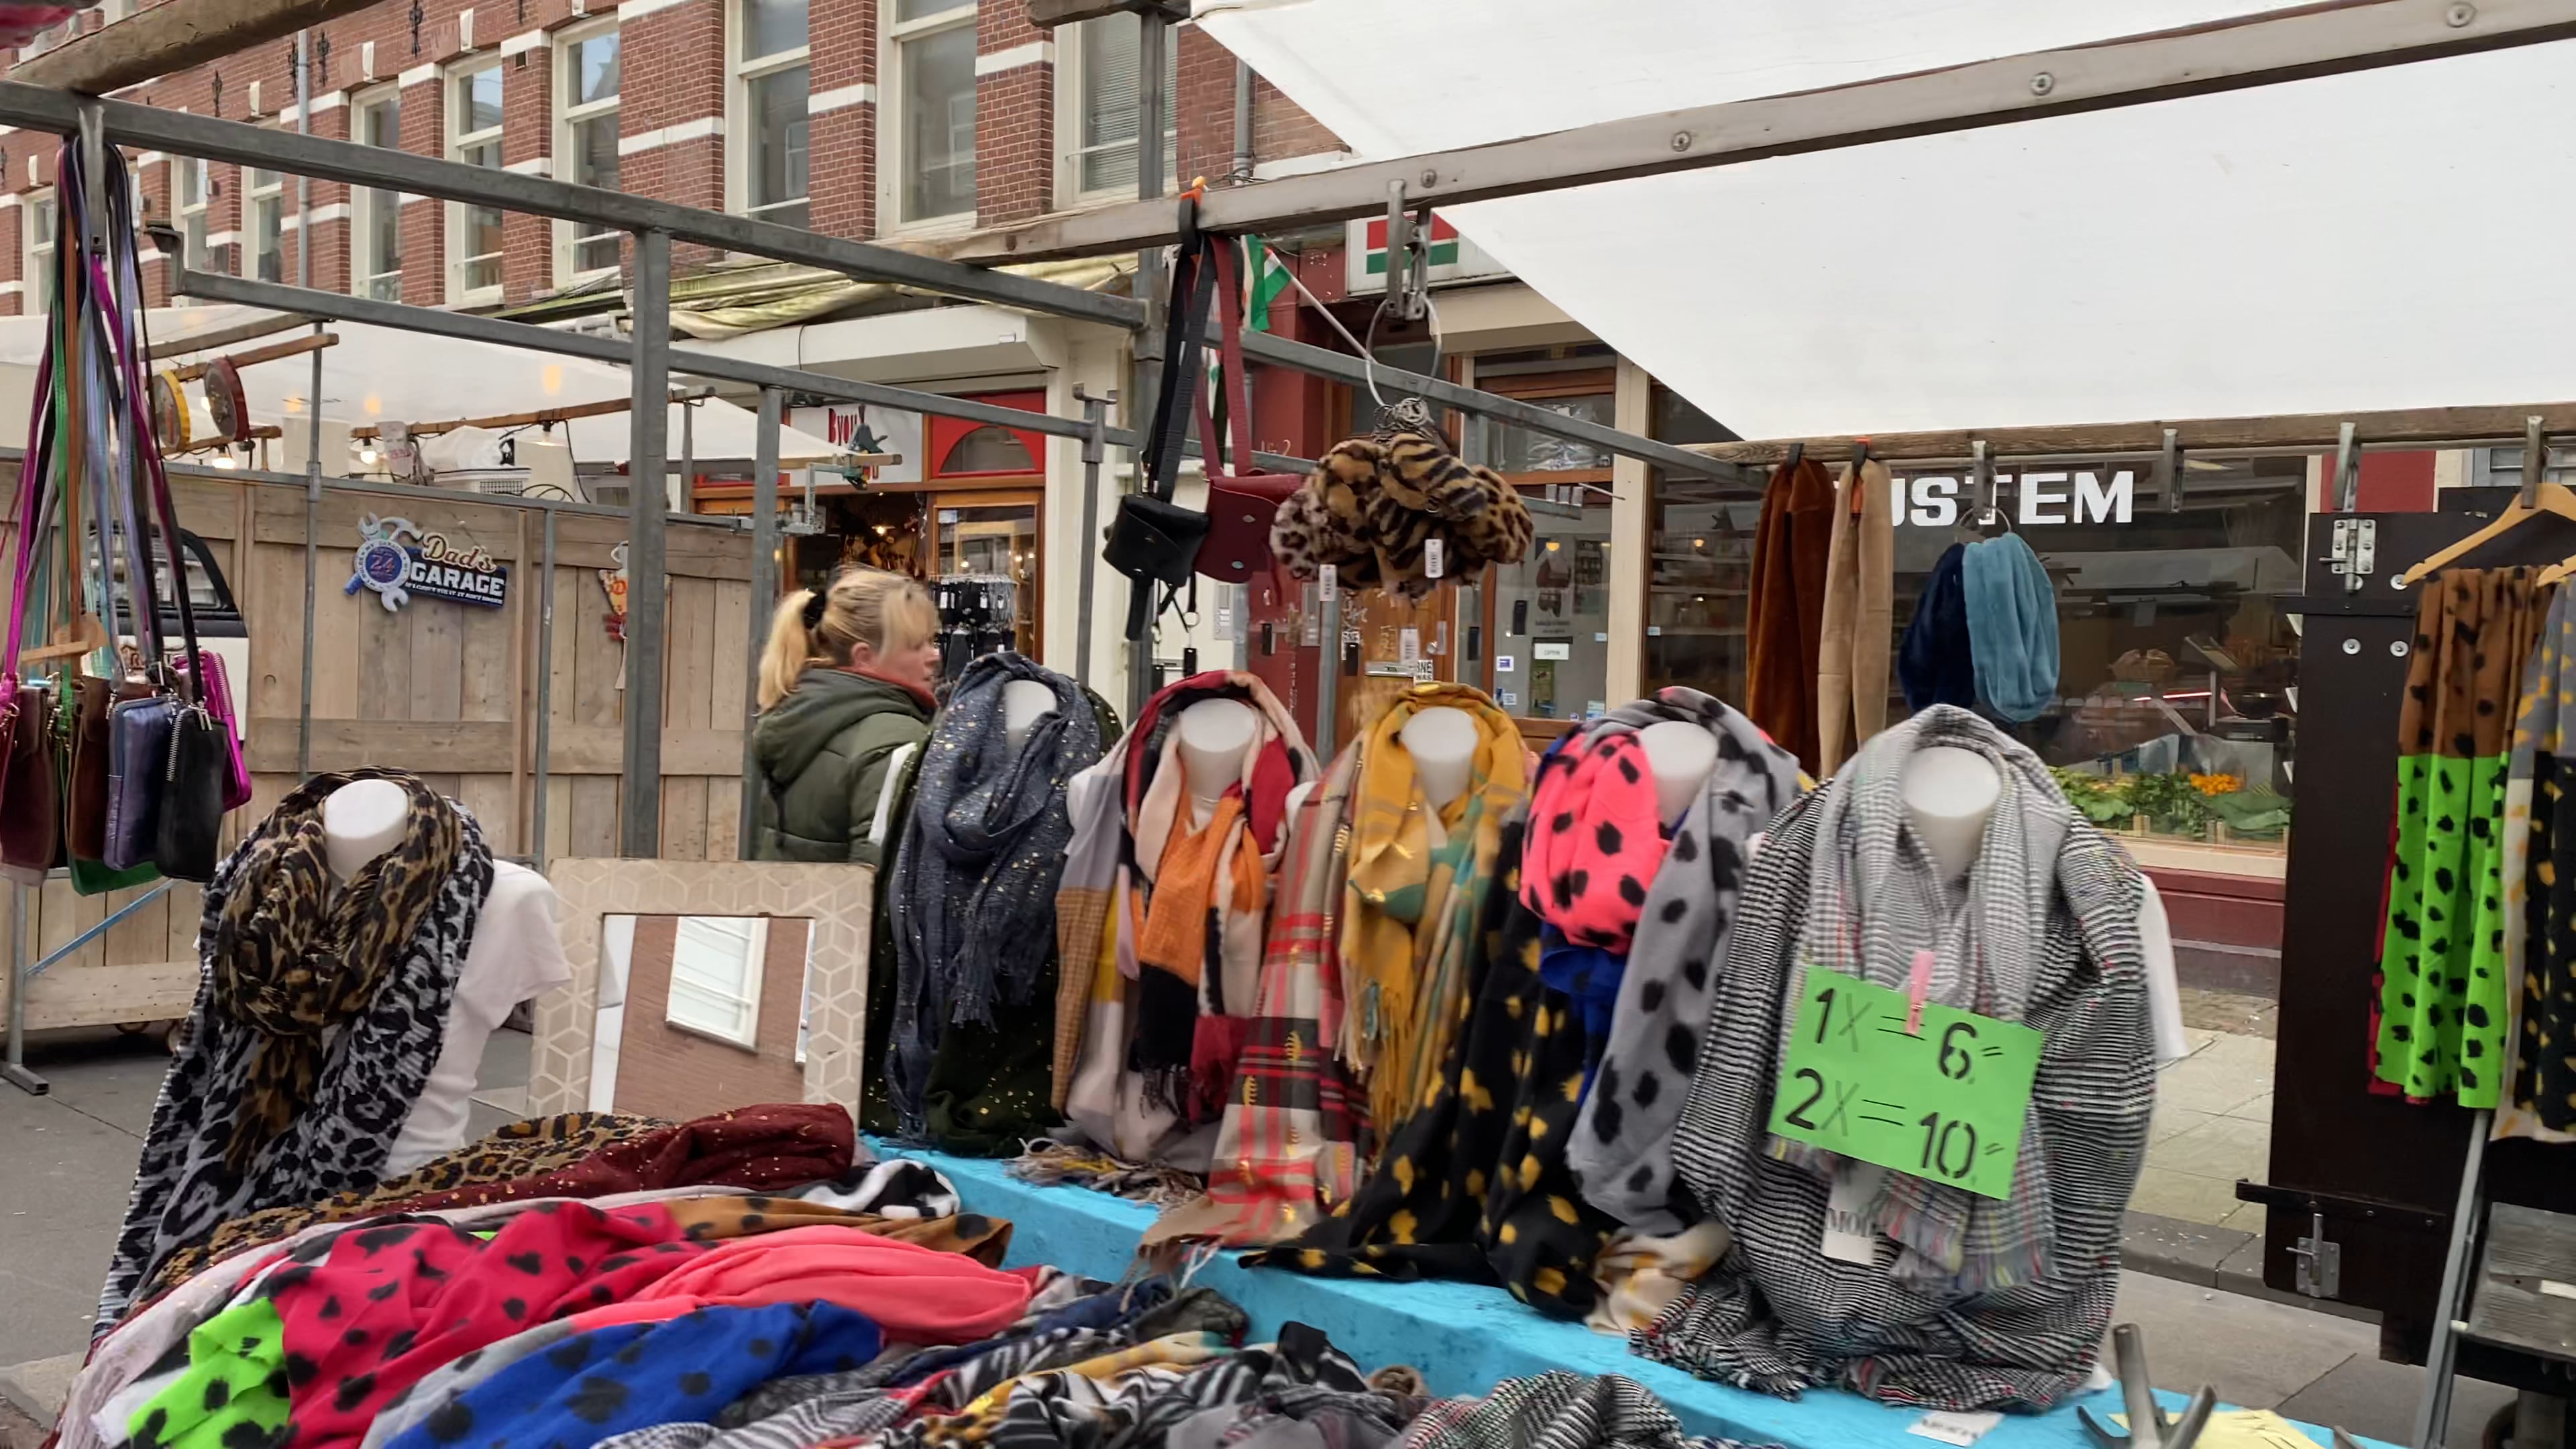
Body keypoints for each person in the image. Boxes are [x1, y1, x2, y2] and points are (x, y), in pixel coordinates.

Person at [751, 566, 942, 863]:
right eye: (917, 646)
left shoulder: (796, 714)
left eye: (932, 641)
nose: (934, 656)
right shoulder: (894, 736)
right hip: (845, 910)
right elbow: (876, 878)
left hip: (790, 907)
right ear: (864, 657)